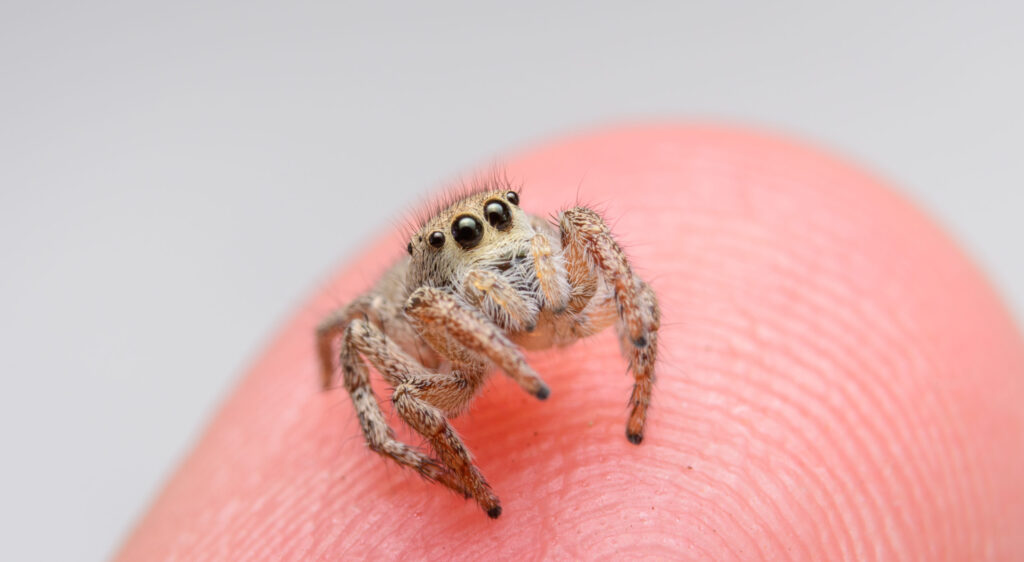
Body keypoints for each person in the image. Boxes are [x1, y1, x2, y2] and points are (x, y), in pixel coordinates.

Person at [116, 125, 1024, 560]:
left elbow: (617, 271)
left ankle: (635, 394)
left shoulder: (550, 243)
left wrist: (631, 365)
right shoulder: (424, 308)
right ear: (444, 251)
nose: (496, 245)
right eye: (470, 238)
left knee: (595, 227)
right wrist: (487, 396)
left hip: (538, 340)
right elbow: (358, 336)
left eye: (501, 220)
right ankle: (462, 476)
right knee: (356, 334)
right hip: (445, 361)